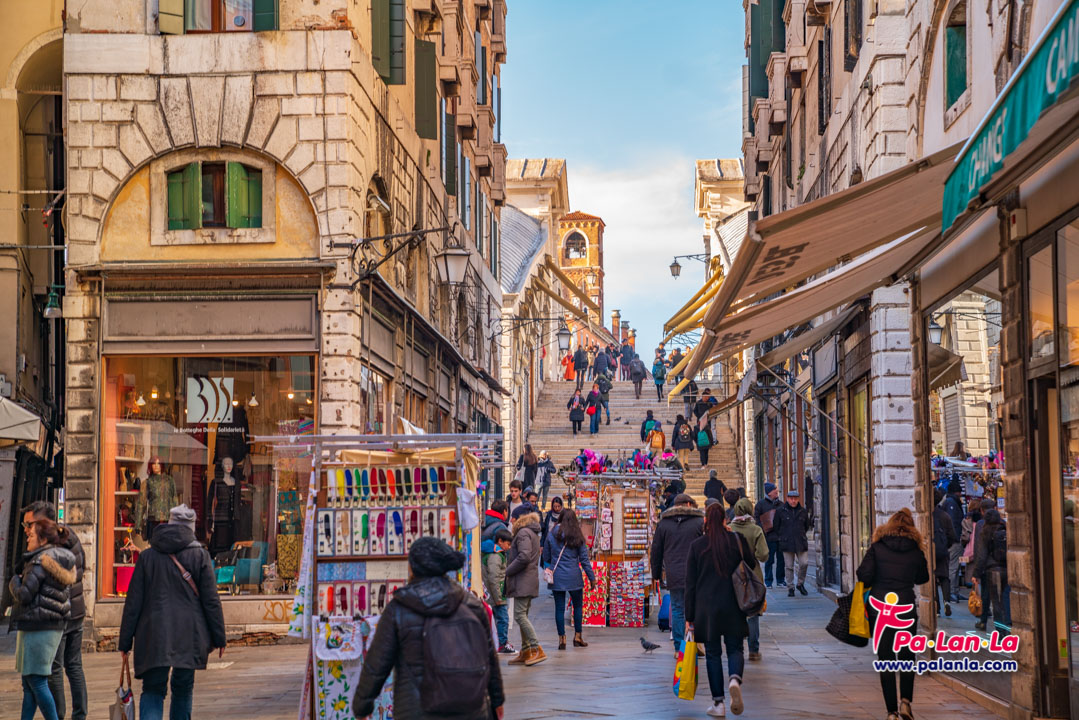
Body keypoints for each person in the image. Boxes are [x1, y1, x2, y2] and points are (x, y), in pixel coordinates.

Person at [352, 537, 505, 720]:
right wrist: (497, 701)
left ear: (413, 567)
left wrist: (362, 705)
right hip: (471, 707)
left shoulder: (399, 608)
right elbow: (489, 657)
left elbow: (377, 664)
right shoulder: (471, 604)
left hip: (418, 710)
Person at [119, 504, 227, 720]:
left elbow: (133, 603)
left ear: (169, 523)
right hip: (189, 633)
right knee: (183, 686)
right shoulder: (200, 556)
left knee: (152, 689)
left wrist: (125, 643)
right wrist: (219, 638)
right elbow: (211, 601)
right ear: (191, 528)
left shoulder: (148, 557)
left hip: (153, 633)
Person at [856, 508, 929, 720]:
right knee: (907, 657)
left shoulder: (877, 547)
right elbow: (922, 578)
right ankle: (906, 701)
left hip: (881, 610)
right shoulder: (916, 551)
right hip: (905, 607)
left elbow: (863, 574)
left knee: (886, 658)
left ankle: (891, 712)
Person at [685, 502, 757, 717]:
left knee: (713, 654)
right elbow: (751, 564)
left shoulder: (697, 546)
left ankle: (719, 703)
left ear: (705, 521)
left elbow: (690, 585)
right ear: (725, 520)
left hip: (707, 609)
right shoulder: (736, 540)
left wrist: (690, 617)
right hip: (734, 604)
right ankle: (735, 678)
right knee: (735, 648)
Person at [19, 501, 88, 720]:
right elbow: (80, 568)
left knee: (53, 670)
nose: (27, 530)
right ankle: (79, 714)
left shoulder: (51, 545)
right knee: (74, 665)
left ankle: (58, 715)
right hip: (74, 607)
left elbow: (33, 588)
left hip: (56, 613)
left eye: (30, 523)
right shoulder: (70, 536)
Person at [650, 494, 704, 652]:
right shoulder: (699, 522)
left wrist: (656, 574)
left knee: (677, 608)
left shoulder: (664, 523)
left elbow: (656, 551)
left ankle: (679, 647)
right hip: (696, 573)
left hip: (674, 573)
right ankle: (695, 643)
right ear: (688, 504)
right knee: (696, 608)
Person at [542, 508, 597, 650]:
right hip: (574, 576)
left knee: (559, 608)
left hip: (557, 577)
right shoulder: (577, 535)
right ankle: (578, 637)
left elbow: (546, 557)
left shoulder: (552, 534)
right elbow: (584, 560)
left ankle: (562, 639)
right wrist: (592, 578)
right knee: (577, 606)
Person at [505, 505, 546, 666]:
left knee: (520, 615)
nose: (510, 520)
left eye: (513, 517)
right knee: (523, 615)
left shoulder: (522, 533)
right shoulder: (532, 532)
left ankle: (537, 648)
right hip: (528, 579)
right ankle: (526, 650)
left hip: (523, 580)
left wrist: (508, 571)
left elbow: (524, 556)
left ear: (519, 518)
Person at [730, 497, 769, 662]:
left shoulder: (729, 529)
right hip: (753, 575)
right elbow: (764, 555)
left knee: (735, 612)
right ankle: (754, 650)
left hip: (733, 575)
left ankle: (736, 648)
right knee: (753, 612)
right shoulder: (756, 530)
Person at [974, 508, 1011, 630]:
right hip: (1007, 568)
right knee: (1006, 599)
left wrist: (976, 573)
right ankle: (1007, 625)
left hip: (992, 570)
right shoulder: (1005, 530)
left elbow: (982, 555)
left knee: (996, 602)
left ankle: (1000, 631)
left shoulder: (986, 532)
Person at [482, 528, 516, 655]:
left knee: (499, 619)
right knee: (503, 619)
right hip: (497, 594)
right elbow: (493, 578)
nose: (509, 547)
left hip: (495, 593)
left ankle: (500, 642)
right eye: (508, 544)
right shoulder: (495, 555)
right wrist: (498, 598)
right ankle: (502, 643)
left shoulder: (496, 552)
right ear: (500, 541)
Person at [775, 490, 811, 597]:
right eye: (791, 498)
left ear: (798, 499)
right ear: (787, 499)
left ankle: (800, 583)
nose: (793, 500)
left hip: (800, 541)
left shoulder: (803, 511)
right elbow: (776, 526)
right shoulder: (780, 511)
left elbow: (806, 526)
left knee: (804, 563)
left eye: (795, 498)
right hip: (787, 542)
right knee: (789, 566)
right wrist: (782, 536)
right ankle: (790, 587)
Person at [932, 488, 958, 617]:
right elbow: (952, 535)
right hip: (942, 551)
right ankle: (947, 601)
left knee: (933, 578)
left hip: (930, 551)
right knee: (944, 577)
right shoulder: (945, 516)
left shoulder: (928, 516)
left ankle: (936, 608)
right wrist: (945, 545)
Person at [753, 483, 785, 587]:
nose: (776, 491)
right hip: (769, 536)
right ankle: (768, 581)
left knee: (781, 560)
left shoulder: (781, 504)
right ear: (769, 492)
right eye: (774, 490)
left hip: (780, 536)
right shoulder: (761, 504)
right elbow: (756, 518)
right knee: (769, 560)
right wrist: (762, 528)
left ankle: (780, 580)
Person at [940, 479, 965, 600]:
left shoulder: (949, 501)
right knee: (953, 566)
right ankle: (951, 592)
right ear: (957, 492)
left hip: (952, 540)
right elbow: (953, 522)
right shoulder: (952, 503)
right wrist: (955, 538)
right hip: (954, 540)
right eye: (960, 492)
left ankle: (954, 591)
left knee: (955, 566)